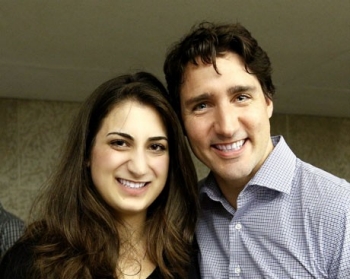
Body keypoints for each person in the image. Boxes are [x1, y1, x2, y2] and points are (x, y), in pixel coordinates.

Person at [163, 21, 350, 278]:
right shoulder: (180, 214)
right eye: (202, 105)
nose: (226, 127)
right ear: (181, 122)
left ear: (268, 101)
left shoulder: (340, 209)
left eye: (241, 97)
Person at [0, 72, 199, 279]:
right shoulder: (33, 262)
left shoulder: (191, 261)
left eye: (156, 146)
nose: (139, 167)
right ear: (86, 152)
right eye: (120, 143)